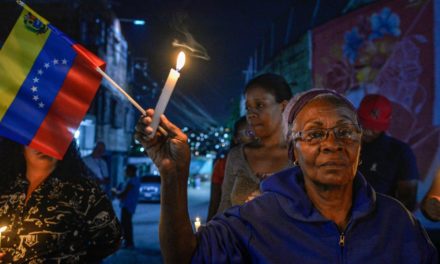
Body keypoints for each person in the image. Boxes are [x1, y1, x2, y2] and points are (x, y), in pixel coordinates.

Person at [135, 89, 437, 263]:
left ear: (359, 145)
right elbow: (186, 258)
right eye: (316, 134)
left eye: (345, 132)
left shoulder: (396, 222)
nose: (332, 144)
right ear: (293, 151)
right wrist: (174, 177)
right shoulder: (256, 219)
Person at [0, 138, 121, 263]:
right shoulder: (6, 187)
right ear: (20, 145)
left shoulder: (83, 192)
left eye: (51, 138)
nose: (43, 145)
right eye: (35, 138)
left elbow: (111, 238)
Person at [217, 73, 292, 213]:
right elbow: (224, 209)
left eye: (259, 105)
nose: (251, 113)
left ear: (283, 106)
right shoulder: (237, 156)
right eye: (248, 108)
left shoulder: (300, 157)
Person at [357, 94, 419, 211]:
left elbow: (408, 201)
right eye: (364, 123)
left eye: (374, 126)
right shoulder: (344, 147)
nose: (368, 130)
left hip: (382, 222)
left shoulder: (400, 152)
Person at [207, 116, 256, 221]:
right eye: (250, 133)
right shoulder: (225, 163)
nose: (255, 137)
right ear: (236, 139)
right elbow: (217, 200)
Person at [112, 164, 141, 249]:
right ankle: (127, 242)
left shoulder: (131, 181)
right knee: (126, 224)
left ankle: (129, 243)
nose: (125, 172)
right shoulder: (136, 180)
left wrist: (115, 191)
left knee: (126, 224)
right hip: (130, 205)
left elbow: (122, 194)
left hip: (127, 205)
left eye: (126, 171)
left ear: (131, 171)